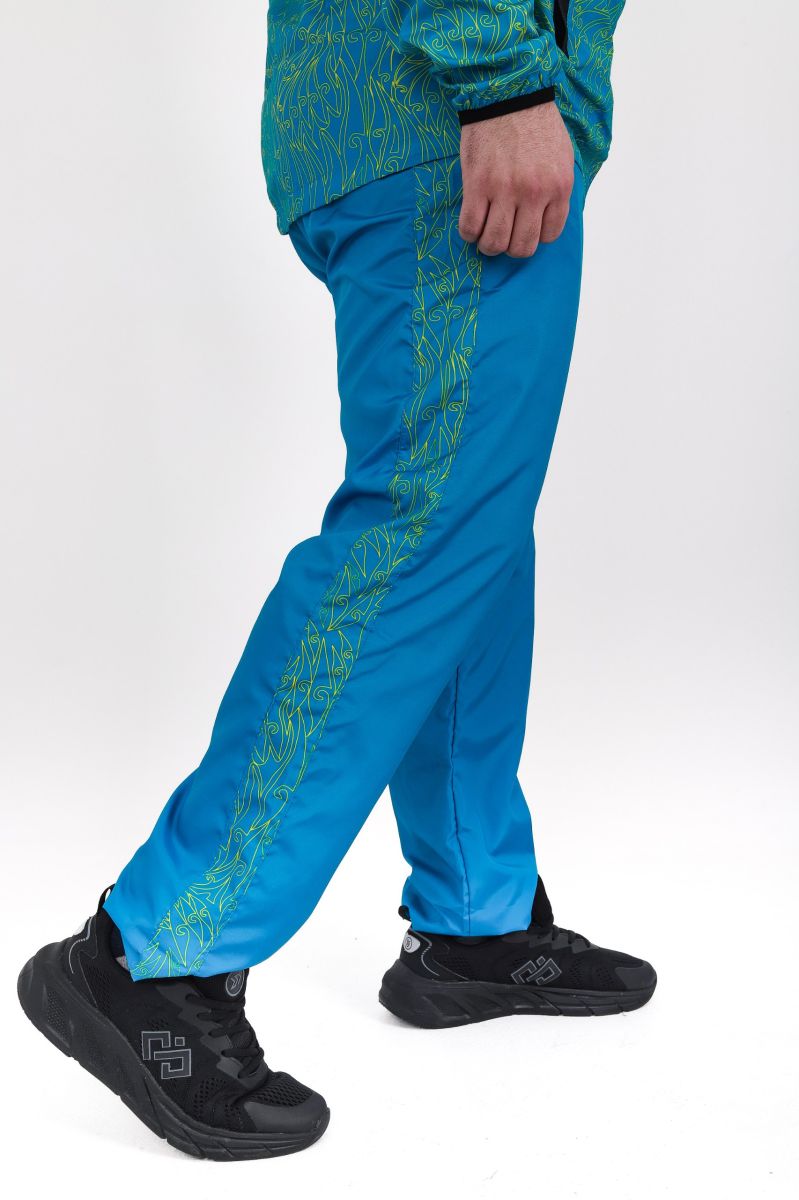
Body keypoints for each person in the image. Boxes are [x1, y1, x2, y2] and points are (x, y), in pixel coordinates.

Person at [18, 0, 655, 1161]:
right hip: (446, 98)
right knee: (423, 524)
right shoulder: (482, 83)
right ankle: (156, 950)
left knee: (467, 525)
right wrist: (504, 78)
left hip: (414, 105)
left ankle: (475, 915)